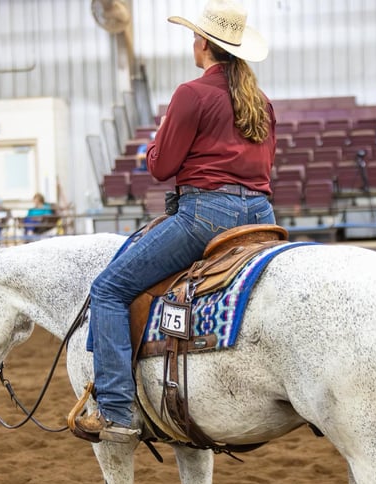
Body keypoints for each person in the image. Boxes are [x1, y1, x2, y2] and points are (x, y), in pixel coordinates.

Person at [75, 0, 276, 442]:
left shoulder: (191, 94)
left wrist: (156, 138)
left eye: (194, 36)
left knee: (107, 289)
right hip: (261, 216)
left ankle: (117, 409)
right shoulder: (259, 101)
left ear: (203, 43)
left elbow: (161, 166)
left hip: (207, 215)